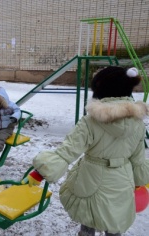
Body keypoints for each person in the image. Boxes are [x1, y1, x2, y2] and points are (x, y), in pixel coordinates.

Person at [24, 66, 149, 236]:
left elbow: (68, 151)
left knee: (88, 215)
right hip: (122, 179)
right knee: (115, 219)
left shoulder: (90, 121)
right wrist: (140, 181)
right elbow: (138, 158)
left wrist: (41, 172)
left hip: (91, 176)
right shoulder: (138, 123)